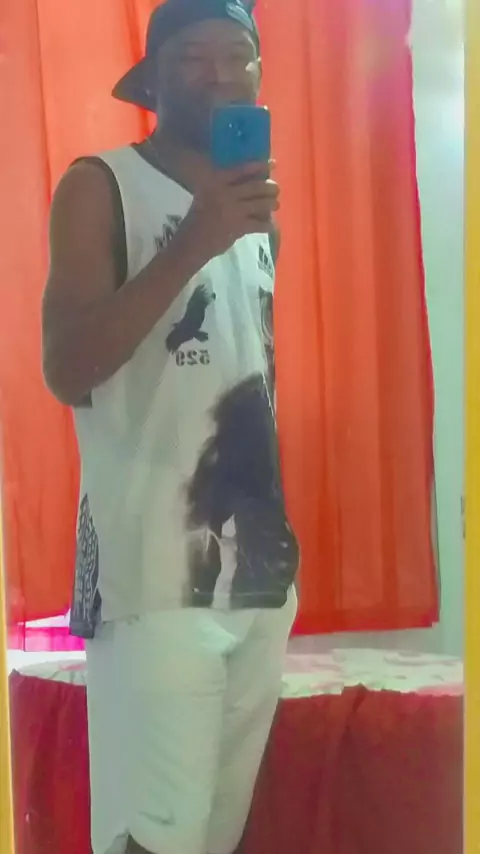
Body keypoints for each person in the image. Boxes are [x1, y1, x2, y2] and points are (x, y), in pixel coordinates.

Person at [42, 1, 299, 852]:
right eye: (194, 56)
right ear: (151, 79)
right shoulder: (100, 184)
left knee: (215, 837)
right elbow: (67, 369)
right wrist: (193, 241)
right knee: (153, 842)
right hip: (150, 573)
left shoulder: (254, 205)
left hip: (258, 574)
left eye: (239, 53)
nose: (222, 72)